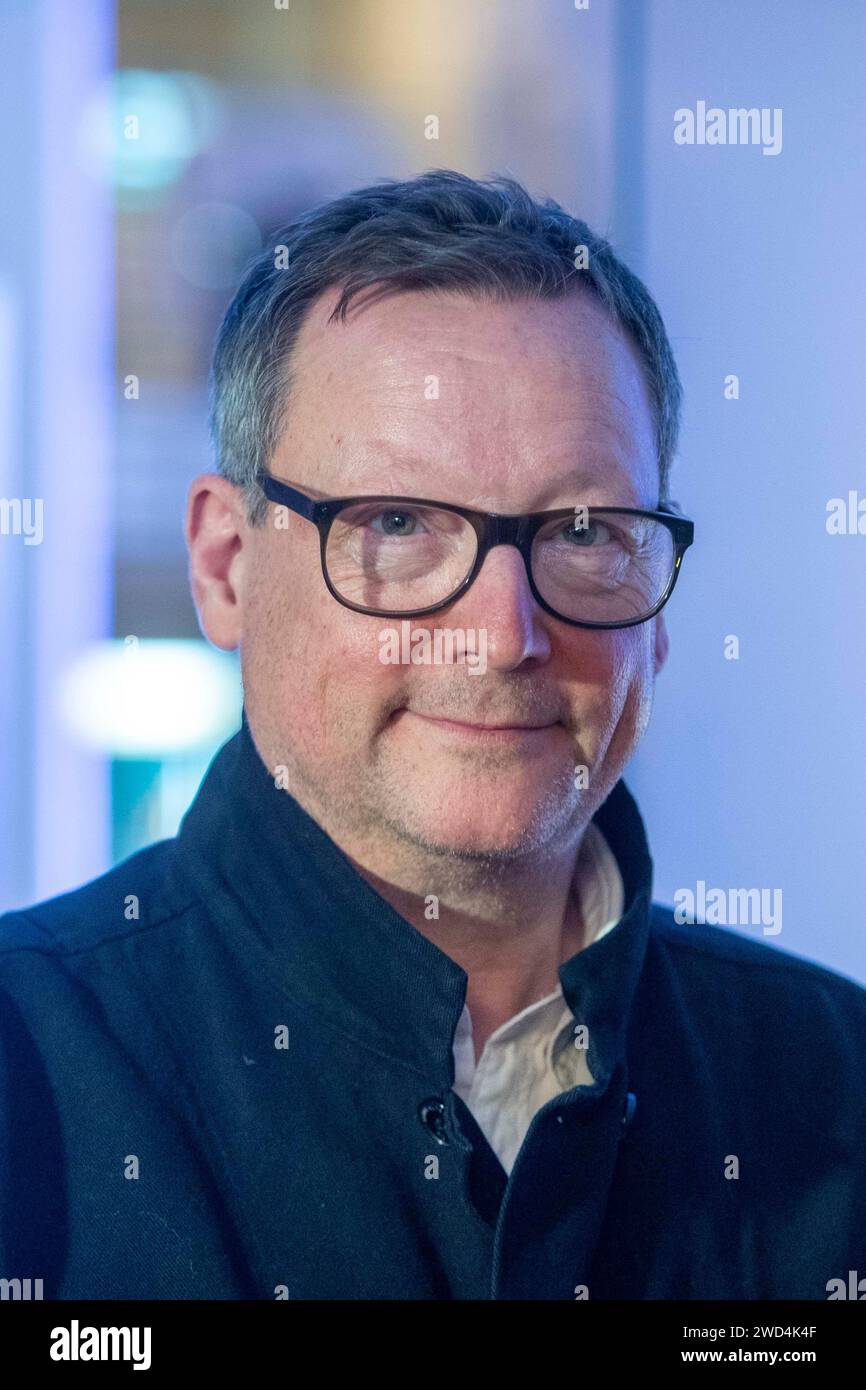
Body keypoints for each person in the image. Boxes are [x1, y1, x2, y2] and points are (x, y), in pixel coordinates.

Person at [1, 170, 864, 1300]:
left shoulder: (832, 1080)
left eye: (582, 530)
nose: (500, 634)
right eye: (396, 523)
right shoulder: (29, 1069)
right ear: (224, 565)